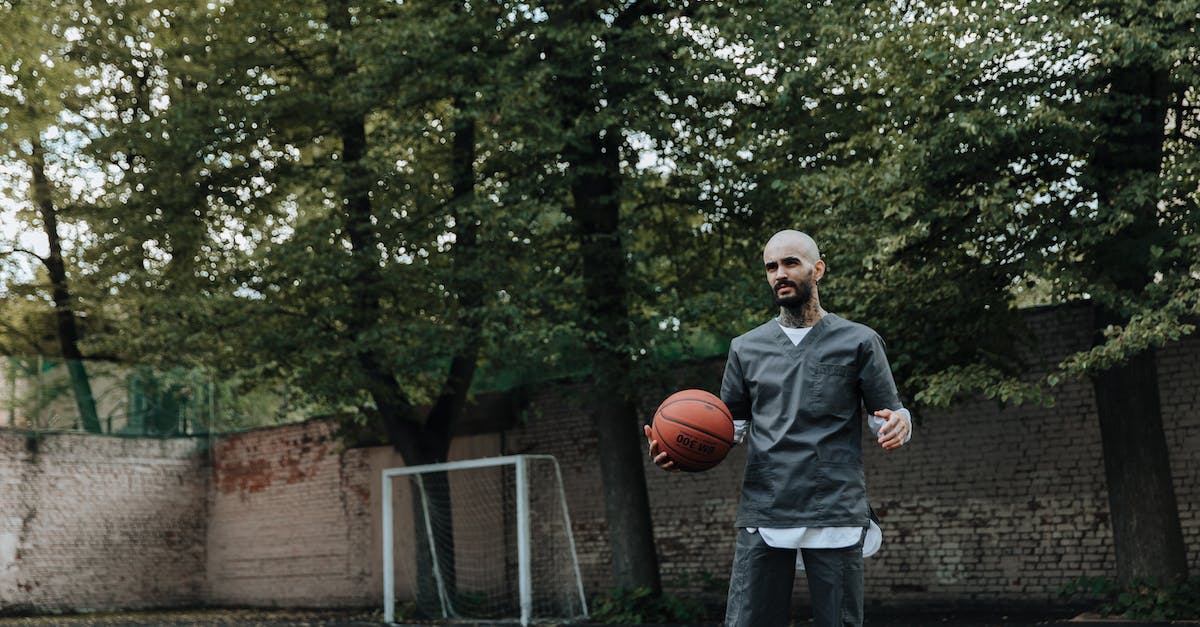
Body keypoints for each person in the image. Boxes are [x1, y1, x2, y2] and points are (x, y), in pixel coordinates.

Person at [645, 229, 912, 627]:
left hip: (834, 507)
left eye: (791, 263)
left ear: (817, 269)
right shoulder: (745, 348)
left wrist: (899, 421)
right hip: (766, 507)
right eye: (772, 266)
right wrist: (683, 456)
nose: (780, 273)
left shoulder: (860, 341)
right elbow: (726, 431)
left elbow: (886, 415)